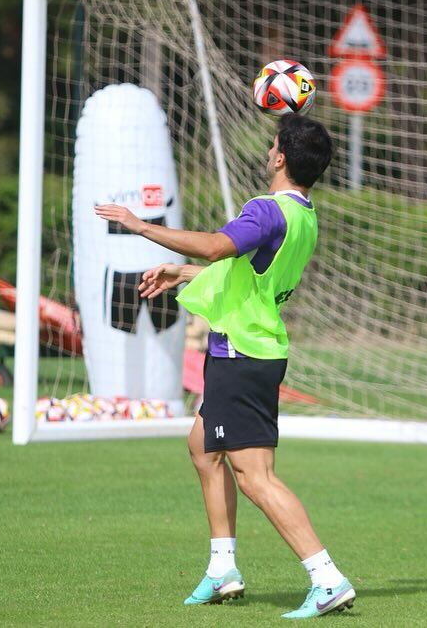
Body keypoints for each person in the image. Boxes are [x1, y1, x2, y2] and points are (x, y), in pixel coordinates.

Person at [96, 114, 355, 619]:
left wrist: (139, 225)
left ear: (279, 157)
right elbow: (249, 275)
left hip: (242, 353)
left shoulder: (267, 210)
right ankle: (222, 569)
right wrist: (185, 272)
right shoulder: (303, 215)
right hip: (250, 349)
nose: (267, 151)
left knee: (255, 477)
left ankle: (326, 577)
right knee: (202, 447)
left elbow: (219, 245)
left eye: (272, 145)